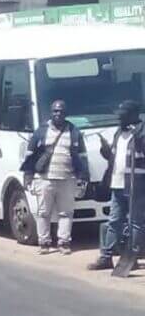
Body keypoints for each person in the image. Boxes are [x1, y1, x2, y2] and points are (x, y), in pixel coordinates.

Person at [20, 99, 88, 255]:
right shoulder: (41, 131)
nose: (58, 114)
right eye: (55, 111)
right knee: (43, 213)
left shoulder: (74, 131)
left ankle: (64, 243)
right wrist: (28, 177)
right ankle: (44, 243)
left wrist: (83, 177)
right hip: (44, 179)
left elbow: (82, 157)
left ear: (66, 114)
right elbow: (30, 155)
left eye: (61, 111)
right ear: (51, 113)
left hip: (67, 179)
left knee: (66, 213)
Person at [89, 99, 145, 271]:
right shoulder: (118, 133)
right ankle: (106, 257)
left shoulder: (141, 133)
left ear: (133, 115)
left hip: (137, 185)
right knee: (114, 221)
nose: (119, 119)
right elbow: (114, 158)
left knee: (135, 222)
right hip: (117, 184)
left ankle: (131, 258)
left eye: (123, 116)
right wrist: (105, 151)